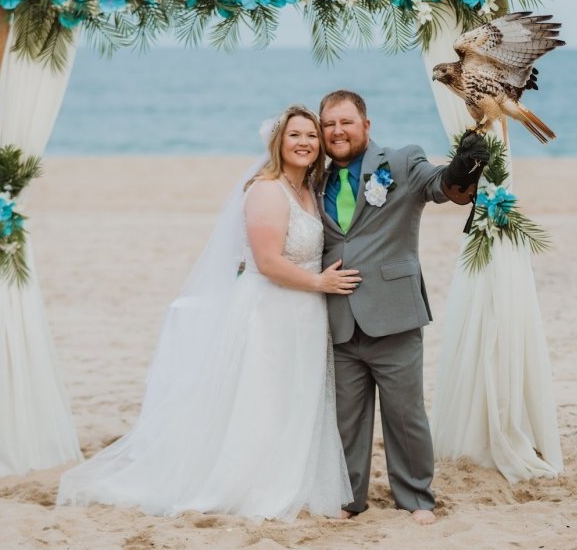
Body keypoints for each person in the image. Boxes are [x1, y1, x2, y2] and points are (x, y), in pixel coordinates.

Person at [57, 106, 358, 520]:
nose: (305, 141)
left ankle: (289, 482)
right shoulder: (267, 190)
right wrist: (320, 283)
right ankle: (254, 489)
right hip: (271, 309)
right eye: (295, 135)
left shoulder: (308, 189)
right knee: (263, 401)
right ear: (279, 142)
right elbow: (268, 262)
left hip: (304, 313)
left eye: (310, 135)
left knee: (296, 400)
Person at [316, 90, 488, 525]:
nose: (337, 131)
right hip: (338, 317)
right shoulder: (314, 180)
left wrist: (462, 169)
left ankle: (415, 497)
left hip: (394, 314)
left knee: (405, 414)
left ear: (366, 126)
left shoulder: (401, 161)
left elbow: (443, 188)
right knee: (346, 419)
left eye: (346, 122)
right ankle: (349, 497)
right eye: (329, 124)